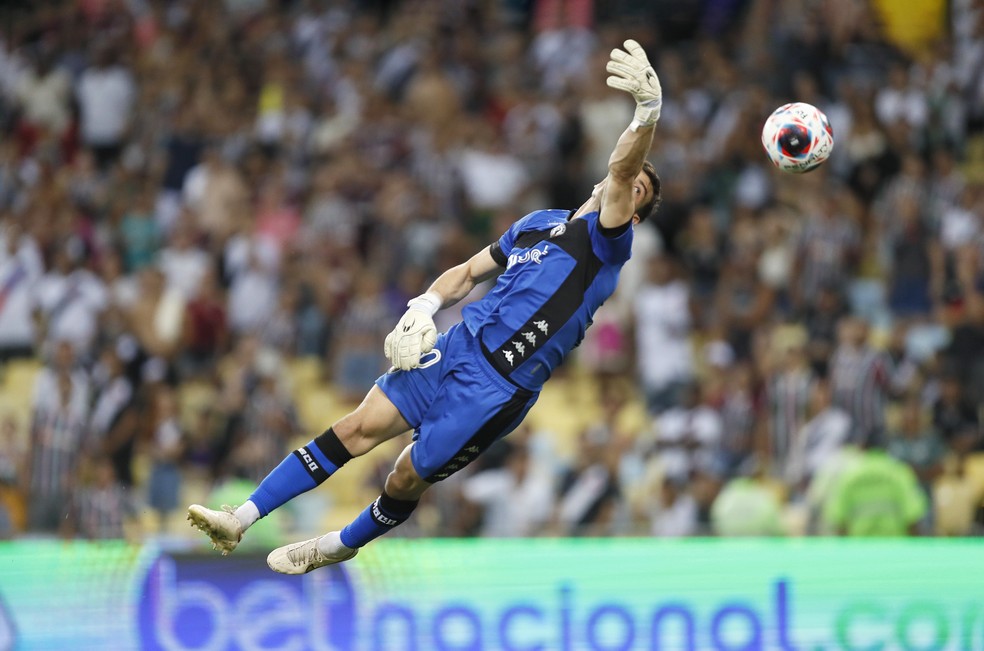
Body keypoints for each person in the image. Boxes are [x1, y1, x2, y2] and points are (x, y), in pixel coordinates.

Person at [188, 39, 664, 574]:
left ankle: (340, 544)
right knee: (356, 428)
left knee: (403, 477)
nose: (627, 184)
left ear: (634, 217)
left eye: (639, 190)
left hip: (497, 388)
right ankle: (241, 517)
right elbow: (467, 272)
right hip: (457, 346)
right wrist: (424, 304)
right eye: (633, 177)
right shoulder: (538, 223)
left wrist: (647, 114)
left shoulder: (606, 248)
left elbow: (623, 173)